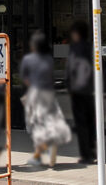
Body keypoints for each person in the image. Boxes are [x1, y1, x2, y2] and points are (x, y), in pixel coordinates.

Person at [20, 30, 72, 168]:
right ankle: (50, 151)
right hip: (49, 95)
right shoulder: (49, 59)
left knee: (33, 126)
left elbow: (24, 77)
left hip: (35, 95)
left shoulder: (28, 59)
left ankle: (39, 153)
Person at [65, 21, 96, 164]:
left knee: (81, 123)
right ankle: (93, 149)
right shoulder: (91, 47)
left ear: (76, 34)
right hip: (89, 90)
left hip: (78, 91)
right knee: (91, 121)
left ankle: (86, 155)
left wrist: (69, 87)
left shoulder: (75, 48)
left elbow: (71, 69)